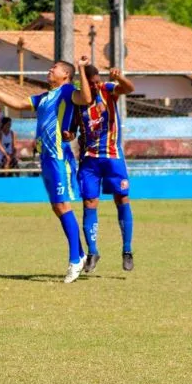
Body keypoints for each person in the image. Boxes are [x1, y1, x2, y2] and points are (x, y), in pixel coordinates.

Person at [0, 57, 92, 283]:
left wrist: (81, 69)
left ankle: (74, 260)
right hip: (46, 158)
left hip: (59, 157)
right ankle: (79, 254)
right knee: (57, 208)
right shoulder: (44, 97)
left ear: (65, 75)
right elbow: (18, 103)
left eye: (55, 68)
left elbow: (86, 98)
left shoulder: (68, 91)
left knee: (62, 205)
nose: (50, 70)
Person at [72, 65, 136, 273]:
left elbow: (129, 89)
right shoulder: (77, 102)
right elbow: (72, 131)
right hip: (89, 160)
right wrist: (68, 135)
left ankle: (127, 250)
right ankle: (92, 251)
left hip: (112, 158)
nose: (95, 85)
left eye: (96, 81)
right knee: (89, 203)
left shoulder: (107, 90)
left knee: (121, 199)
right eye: (90, 83)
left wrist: (121, 78)